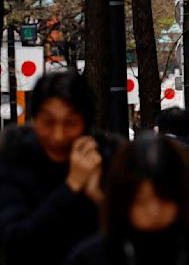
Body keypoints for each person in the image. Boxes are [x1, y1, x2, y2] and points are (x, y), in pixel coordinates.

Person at [66, 133, 189, 265]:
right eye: (141, 201)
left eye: (164, 198)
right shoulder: (91, 258)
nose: (154, 211)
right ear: (123, 199)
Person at [0, 71, 115, 264]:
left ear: (86, 123)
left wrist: (98, 196)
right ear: (34, 119)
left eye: (70, 123)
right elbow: (15, 241)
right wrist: (71, 186)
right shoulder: (15, 160)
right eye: (48, 122)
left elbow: (130, 240)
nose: (58, 136)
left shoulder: (107, 160)